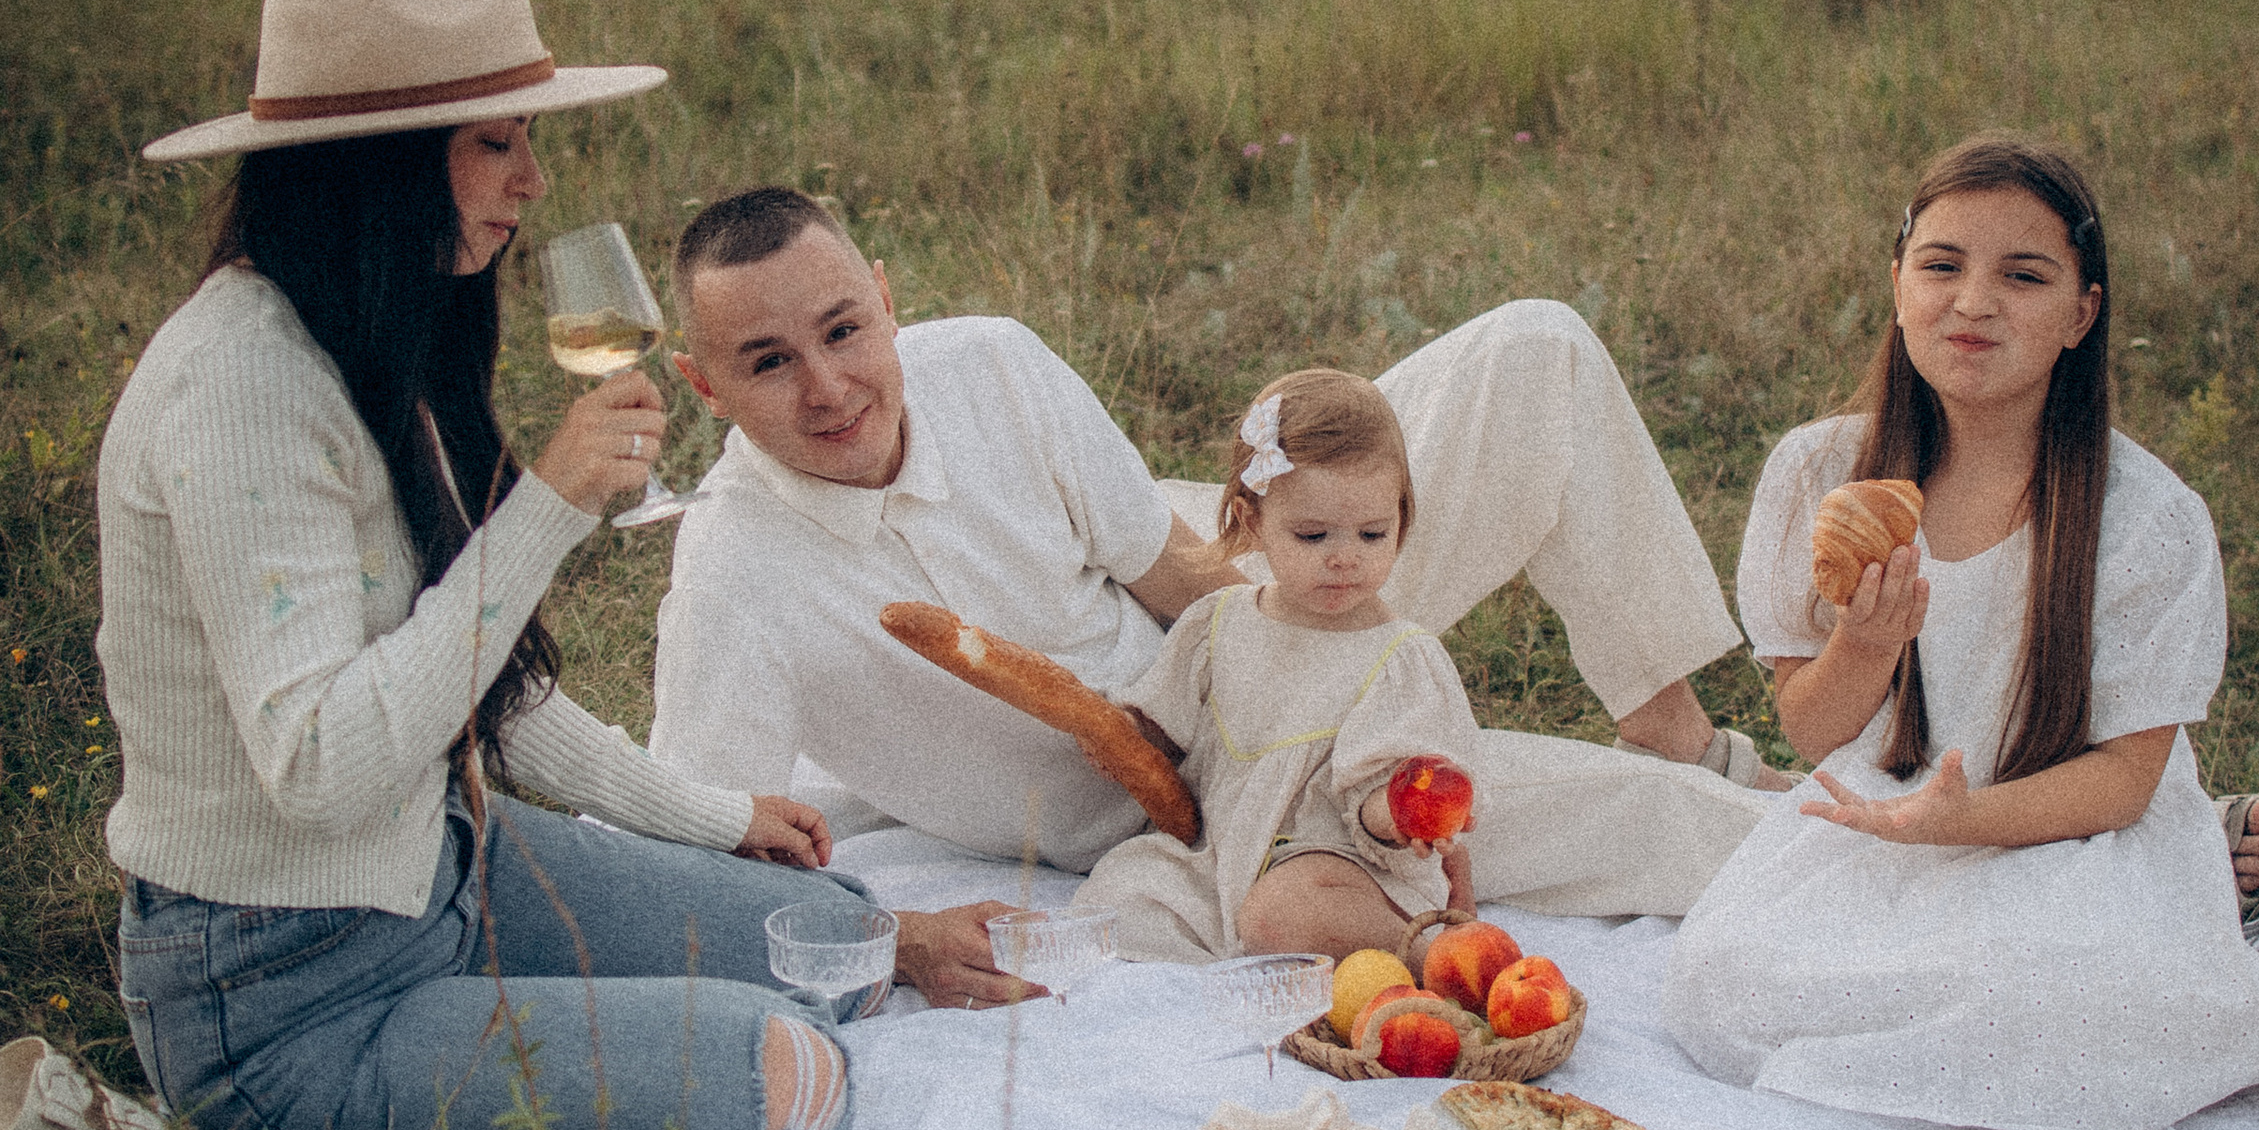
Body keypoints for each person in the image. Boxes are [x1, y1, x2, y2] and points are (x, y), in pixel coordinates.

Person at [99, 0, 962, 1130]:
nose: (533, 179)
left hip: (455, 864)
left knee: (829, 936)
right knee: (784, 1075)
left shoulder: (372, 333)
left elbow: (474, 676)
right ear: (388, 165)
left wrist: (703, 818)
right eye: (497, 143)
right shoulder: (241, 388)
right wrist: (547, 508)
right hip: (286, 992)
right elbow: (323, 769)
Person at [647, 188, 1790, 992]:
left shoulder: (990, 361)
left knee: (1532, 351)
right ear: (705, 386)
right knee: (1664, 831)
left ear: (886, 298)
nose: (830, 385)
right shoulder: (732, 574)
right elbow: (697, 851)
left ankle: (1679, 727)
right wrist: (895, 941)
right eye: (767, 362)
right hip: (1215, 801)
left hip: (1256, 613)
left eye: (846, 329)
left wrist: (1334, 642)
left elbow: (1174, 572)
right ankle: (1823, 843)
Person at [1660, 137, 2259, 1130]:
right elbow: (1813, 732)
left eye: (2022, 276)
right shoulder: (1820, 470)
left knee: (2040, 998)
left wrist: (1967, 822)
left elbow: (2123, 779)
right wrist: (1864, 650)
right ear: (1897, 285)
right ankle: (2192, 1007)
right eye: (1940, 265)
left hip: (2078, 830)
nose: (1973, 302)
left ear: (2080, 314)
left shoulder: (2144, 516)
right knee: (1718, 983)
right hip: (1891, 813)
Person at [1069, 370, 1482, 964]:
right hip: (1222, 856)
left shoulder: (1398, 657)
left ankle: (1431, 955)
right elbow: (1167, 724)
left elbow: (1388, 785)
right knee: (1118, 894)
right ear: (1252, 520)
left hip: (1341, 864)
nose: (1345, 558)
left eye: (1373, 534)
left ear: (1402, 521)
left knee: (1280, 915)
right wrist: (1129, 735)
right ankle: (1232, 947)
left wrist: (1395, 813)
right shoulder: (1220, 624)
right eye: (1313, 536)